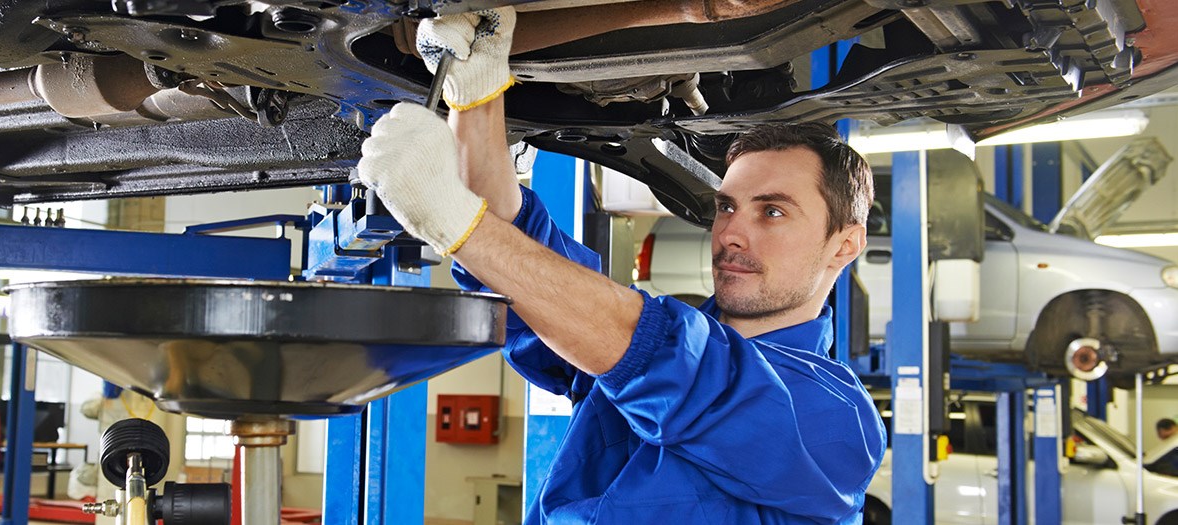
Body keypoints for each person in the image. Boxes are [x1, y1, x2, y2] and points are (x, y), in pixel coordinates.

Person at [357, 8, 886, 523]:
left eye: (773, 211)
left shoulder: (838, 422)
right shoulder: (627, 344)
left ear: (845, 243)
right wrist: (476, 95)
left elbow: (672, 366)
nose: (732, 233)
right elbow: (529, 283)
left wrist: (456, 220)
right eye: (726, 206)